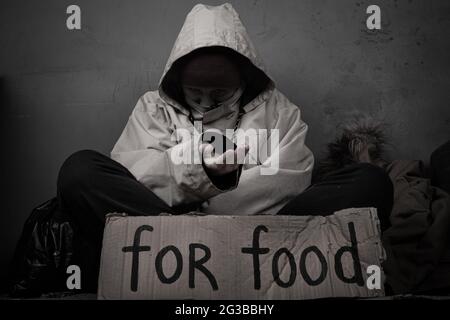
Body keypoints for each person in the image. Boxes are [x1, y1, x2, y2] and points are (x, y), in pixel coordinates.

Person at [55, 3, 393, 291]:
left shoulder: (280, 110)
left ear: (244, 81)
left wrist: (201, 207)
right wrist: (200, 175)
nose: (206, 105)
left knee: (370, 181)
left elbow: (290, 184)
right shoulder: (151, 108)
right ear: (178, 83)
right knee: (79, 171)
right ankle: (193, 254)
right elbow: (134, 176)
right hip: (170, 236)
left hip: (264, 239)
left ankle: (215, 256)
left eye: (220, 95)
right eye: (195, 95)